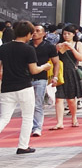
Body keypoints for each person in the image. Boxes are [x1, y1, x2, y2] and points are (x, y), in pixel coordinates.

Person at [0, 21, 53, 154]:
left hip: (7, 87)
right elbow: (34, 70)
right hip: (24, 86)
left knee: (4, 118)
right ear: (28, 34)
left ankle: (23, 146)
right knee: (28, 116)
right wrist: (45, 67)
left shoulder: (4, 48)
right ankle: (23, 146)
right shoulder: (29, 49)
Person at [52, 24, 82, 129]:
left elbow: (80, 58)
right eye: (64, 33)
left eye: (68, 33)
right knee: (59, 98)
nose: (66, 35)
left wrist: (71, 48)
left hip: (71, 72)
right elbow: (54, 59)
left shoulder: (78, 44)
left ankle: (74, 117)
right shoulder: (58, 44)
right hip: (60, 72)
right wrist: (56, 49)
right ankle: (59, 122)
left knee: (71, 99)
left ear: (73, 34)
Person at [29, 24, 59, 137]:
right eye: (33, 31)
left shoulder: (49, 46)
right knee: (28, 104)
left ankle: (37, 127)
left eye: (37, 31)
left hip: (41, 78)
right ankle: (29, 126)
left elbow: (56, 63)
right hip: (26, 78)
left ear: (44, 33)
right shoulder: (28, 45)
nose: (34, 33)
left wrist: (55, 77)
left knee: (38, 103)